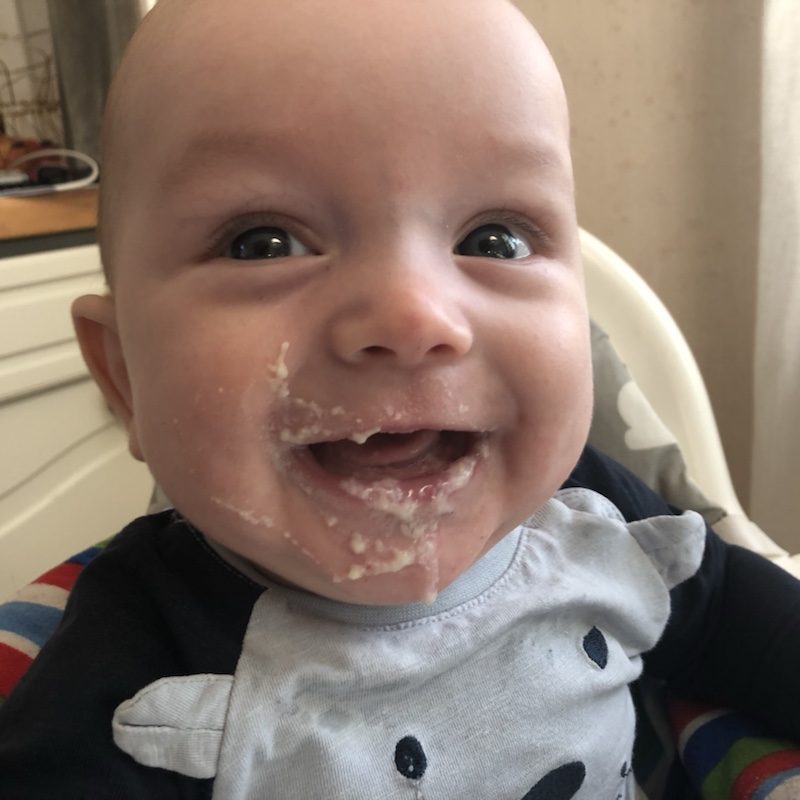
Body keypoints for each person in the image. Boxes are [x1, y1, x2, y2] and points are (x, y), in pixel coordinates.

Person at [0, 0, 798, 796]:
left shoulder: (594, 518)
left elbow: (736, 616)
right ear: (124, 378)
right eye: (263, 243)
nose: (413, 317)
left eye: (494, 239)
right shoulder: (129, 681)